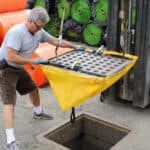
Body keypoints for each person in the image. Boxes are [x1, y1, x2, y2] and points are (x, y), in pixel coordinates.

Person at [0, 7, 84, 150]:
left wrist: (74, 46)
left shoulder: (38, 32)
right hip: (5, 67)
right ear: (30, 21)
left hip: (19, 66)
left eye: (42, 26)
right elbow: (11, 56)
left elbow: (55, 41)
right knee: (10, 103)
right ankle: (10, 141)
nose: (40, 29)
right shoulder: (17, 32)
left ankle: (38, 112)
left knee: (33, 89)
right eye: (38, 26)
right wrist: (34, 61)